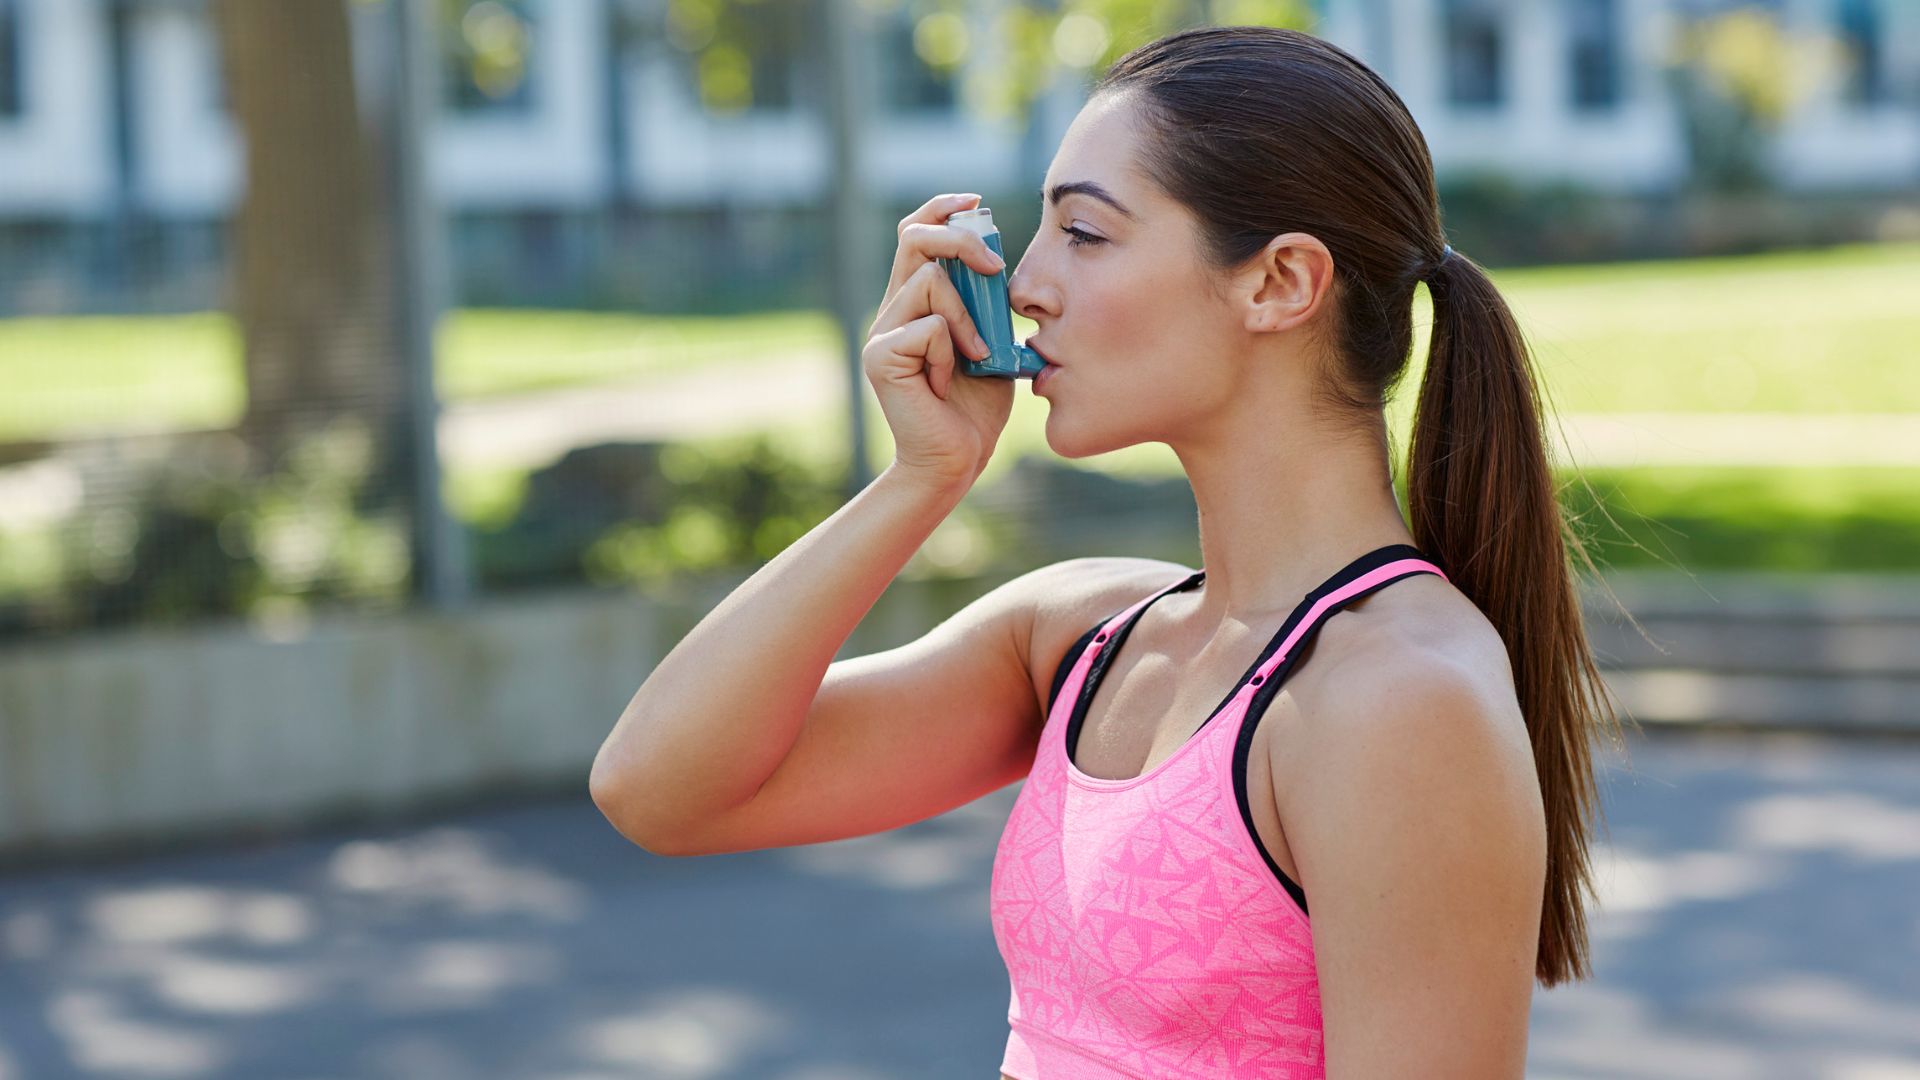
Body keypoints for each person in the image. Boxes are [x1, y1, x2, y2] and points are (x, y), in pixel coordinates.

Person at [590, 24, 1626, 1080]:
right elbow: (661, 789)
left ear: (1279, 283)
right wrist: (923, 479)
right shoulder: (1079, 640)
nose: (1026, 284)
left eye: (1083, 232)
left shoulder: (1398, 702)